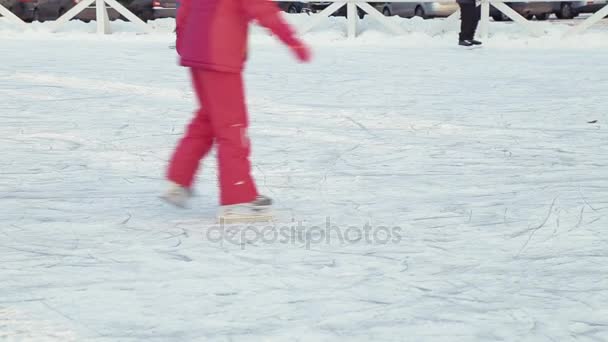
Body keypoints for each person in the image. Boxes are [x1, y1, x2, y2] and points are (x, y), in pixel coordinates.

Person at [163, 0, 311, 220]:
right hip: (219, 56)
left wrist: (185, 44)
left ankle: (179, 179)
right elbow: (263, 10)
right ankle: (237, 199)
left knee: (208, 118)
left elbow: (185, 9)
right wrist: (293, 42)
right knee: (232, 126)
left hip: (197, 54)